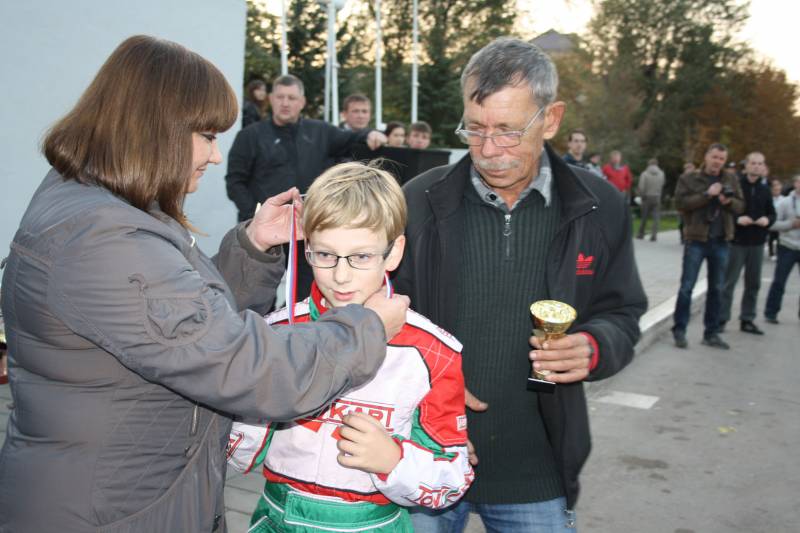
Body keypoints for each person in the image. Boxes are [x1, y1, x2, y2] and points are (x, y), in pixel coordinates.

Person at [0, 35, 410, 533]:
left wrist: (252, 248)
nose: (215, 156)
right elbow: (246, 368)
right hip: (111, 511)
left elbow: (180, 323)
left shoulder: (101, 207)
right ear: (159, 129)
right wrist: (363, 330)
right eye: (208, 135)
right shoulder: (105, 237)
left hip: (121, 496)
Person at [395, 37, 647, 531]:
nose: (489, 150)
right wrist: (424, 382)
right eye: (475, 128)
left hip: (538, 472)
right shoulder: (417, 201)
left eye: (508, 131)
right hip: (423, 458)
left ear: (551, 119)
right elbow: (376, 314)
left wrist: (594, 347)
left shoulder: (600, 207)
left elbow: (623, 313)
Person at [228, 162, 474, 532]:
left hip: (374, 524)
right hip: (275, 518)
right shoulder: (273, 332)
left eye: (361, 257)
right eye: (326, 255)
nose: (341, 276)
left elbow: (453, 477)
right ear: (307, 249)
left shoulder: (432, 350)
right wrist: (253, 413)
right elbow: (231, 455)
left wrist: (393, 460)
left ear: (393, 252)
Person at [225, 74, 388, 299]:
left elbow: (352, 139)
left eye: (291, 98)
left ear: (302, 102)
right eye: (280, 97)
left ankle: (298, 322)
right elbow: (235, 181)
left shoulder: (320, 132)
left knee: (305, 296)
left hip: (307, 230)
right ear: (271, 99)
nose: (285, 103)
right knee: (256, 295)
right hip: (264, 232)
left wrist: (370, 134)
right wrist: (255, 215)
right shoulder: (249, 136)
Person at [671, 143, 744, 350]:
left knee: (717, 288)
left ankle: (711, 333)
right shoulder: (689, 178)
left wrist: (728, 202)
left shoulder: (730, 179)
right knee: (687, 287)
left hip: (721, 240)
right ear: (706, 157)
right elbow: (680, 204)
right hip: (696, 239)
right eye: (714, 157)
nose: (717, 162)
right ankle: (679, 330)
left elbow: (741, 206)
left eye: (721, 158)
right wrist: (707, 195)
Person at [719, 152, 775, 335]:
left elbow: (772, 213)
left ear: (763, 167)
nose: (757, 166)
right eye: (753, 163)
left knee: (753, 283)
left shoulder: (765, 189)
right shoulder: (737, 186)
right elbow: (725, 209)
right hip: (737, 241)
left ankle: (747, 319)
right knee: (729, 282)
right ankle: (721, 319)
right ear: (746, 165)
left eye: (760, 163)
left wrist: (767, 220)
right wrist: (738, 219)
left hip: (757, 242)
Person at [764, 174, 800, 323]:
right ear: (795, 183)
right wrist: (790, 224)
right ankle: (771, 312)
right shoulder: (785, 202)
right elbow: (772, 223)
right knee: (779, 281)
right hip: (787, 246)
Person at [636, 158, 666, 241]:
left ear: (649, 164)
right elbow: (662, 184)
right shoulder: (661, 173)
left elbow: (641, 186)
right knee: (656, 217)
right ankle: (654, 235)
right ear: (657, 164)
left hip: (647, 196)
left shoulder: (645, 174)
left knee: (644, 216)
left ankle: (641, 233)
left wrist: (642, 196)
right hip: (657, 196)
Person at [768, 178, 784, 260]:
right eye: (774, 187)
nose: (776, 189)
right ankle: (771, 253)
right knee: (771, 238)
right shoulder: (769, 199)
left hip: (780, 222)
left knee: (779, 238)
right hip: (771, 221)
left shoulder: (784, 199)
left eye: (778, 186)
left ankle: (778, 253)